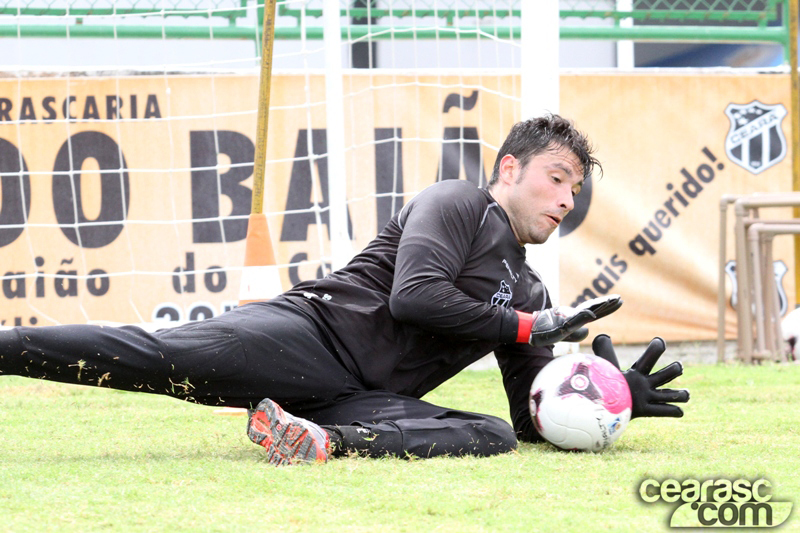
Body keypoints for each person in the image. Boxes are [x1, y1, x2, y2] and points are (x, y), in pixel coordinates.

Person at [0, 114, 689, 465]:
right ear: (509, 167)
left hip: (356, 400)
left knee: (486, 436)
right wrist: (523, 328)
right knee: (150, 355)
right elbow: (412, 297)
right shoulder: (454, 203)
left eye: (577, 186)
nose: (568, 197)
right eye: (557, 176)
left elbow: (527, 419)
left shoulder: (531, 291)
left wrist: (610, 394)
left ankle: (320, 440)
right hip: (310, 337)